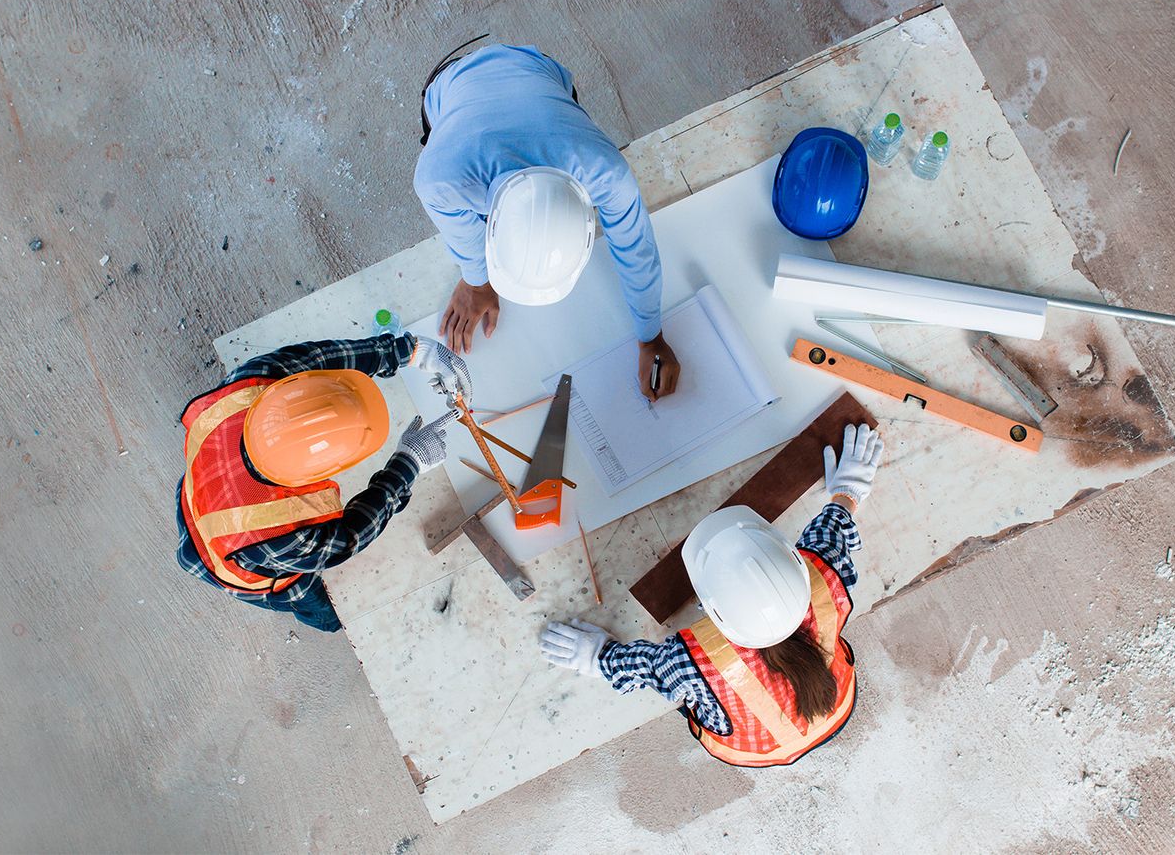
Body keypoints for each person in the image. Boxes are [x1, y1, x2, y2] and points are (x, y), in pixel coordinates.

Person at [538, 424, 883, 766]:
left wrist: (598, 657)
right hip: (836, 706)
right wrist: (847, 492)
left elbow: (650, 669)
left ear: (711, 612)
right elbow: (832, 535)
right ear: (793, 560)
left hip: (759, 750)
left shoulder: (697, 662)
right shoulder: (826, 579)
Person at [412, 42, 679, 400]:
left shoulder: (604, 171)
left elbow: (636, 248)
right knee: (466, 203)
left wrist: (651, 336)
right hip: (452, 85)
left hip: (538, 70)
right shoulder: (442, 178)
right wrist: (477, 283)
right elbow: (464, 235)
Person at [174, 333, 465, 632]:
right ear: (312, 476)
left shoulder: (255, 383)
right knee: (319, 606)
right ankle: (327, 622)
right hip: (228, 563)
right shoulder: (281, 534)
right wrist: (408, 464)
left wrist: (412, 351)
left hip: (199, 490)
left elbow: (320, 358)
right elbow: (350, 535)